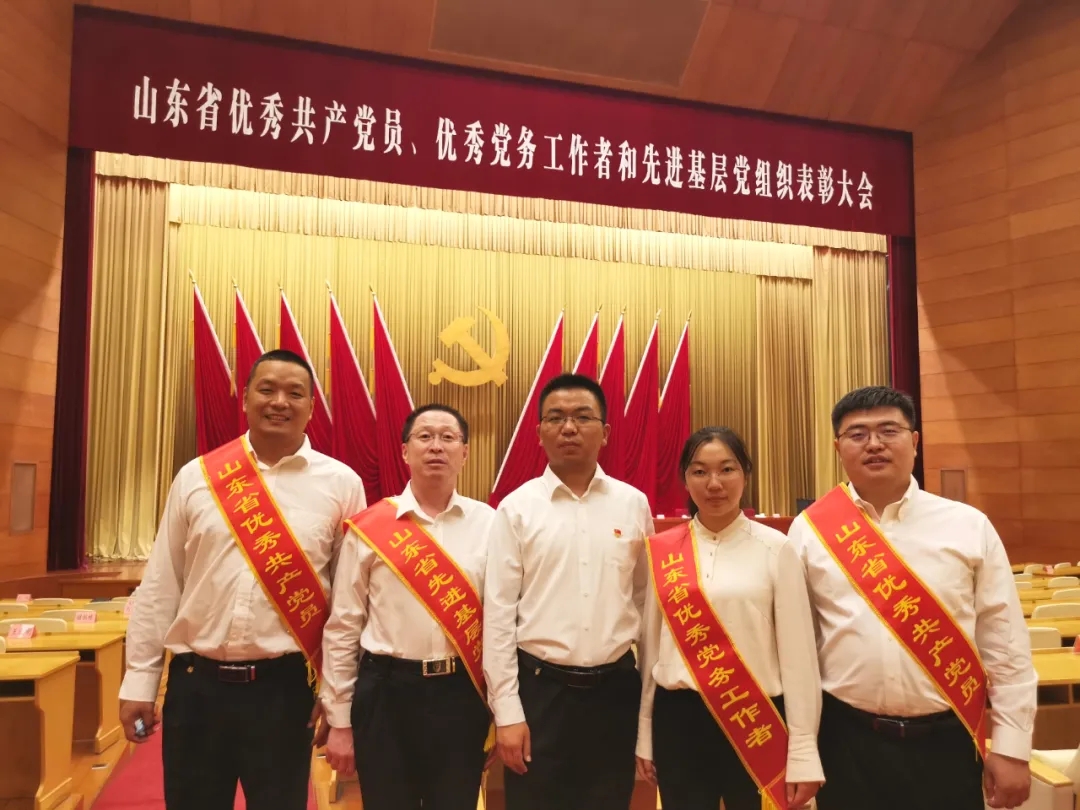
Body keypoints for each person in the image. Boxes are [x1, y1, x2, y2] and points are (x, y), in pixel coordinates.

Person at [118, 349, 367, 810]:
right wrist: (139, 680)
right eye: (267, 389)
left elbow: (348, 604)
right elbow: (161, 584)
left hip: (285, 690)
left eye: (295, 393)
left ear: (312, 406)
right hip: (196, 686)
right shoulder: (197, 477)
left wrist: (336, 696)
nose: (280, 402)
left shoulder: (342, 484)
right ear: (246, 397)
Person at [788, 385, 1037, 810]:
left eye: (889, 430)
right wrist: (802, 749)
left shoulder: (968, 525)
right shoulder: (809, 531)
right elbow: (799, 650)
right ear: (838, 447)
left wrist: (1012, 747)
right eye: (857, 434)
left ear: (915, 441)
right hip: (846, 742)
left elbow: (1005, 641)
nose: (874, 444)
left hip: (949, 742)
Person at [483, 373, 653, 810]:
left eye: (582, 417)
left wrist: (647, 715)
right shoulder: (517, 508)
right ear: (539, 432)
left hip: (615, 692)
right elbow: (499, 616)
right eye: (555, 418)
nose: (569, 427)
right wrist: (508, 712)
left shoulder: (633, 504)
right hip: (541, 694)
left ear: (605, 432)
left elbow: (646, 606)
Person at [636, 426, 824, 810]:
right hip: (679, 722)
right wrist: (645, 735)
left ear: (745, 474)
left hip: (755, 718)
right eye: (699, 471)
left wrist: (804, 752)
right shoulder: (662, 551)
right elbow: (650, 651)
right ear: (685, 478)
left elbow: (799, 658)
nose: (714, 483)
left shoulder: (777, 549)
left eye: (727, 469)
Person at [321, 404, 496, 810]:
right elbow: (344, 626)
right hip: (385, 693)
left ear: (465, 452)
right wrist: (340, 720)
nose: (436, 446)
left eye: (448, 437)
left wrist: (498, 711)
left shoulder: (490, 523)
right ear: (404, 451)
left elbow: (501, 623)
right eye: (425, 436)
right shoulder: (370, 527)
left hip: (461, 694)